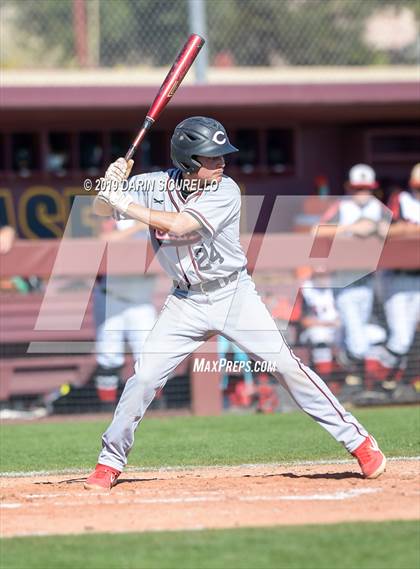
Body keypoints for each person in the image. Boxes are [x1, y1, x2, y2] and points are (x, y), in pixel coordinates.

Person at [84, 117, 386, 491]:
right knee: (144, 378)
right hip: (184, 300)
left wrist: (124, 202)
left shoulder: (225, 190)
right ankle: (109, 462)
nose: (222, 162)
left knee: (285, 366)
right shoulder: (152, 185)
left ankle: (359, 443)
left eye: (222, 155)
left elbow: (180, 226)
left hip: (233, 294)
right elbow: (101, 210)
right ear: (188, 160)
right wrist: (109, 184)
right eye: (212, 157)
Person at [316, 165, 390, 391]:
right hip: (344, 280)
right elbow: (318, 231)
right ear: (349, 187)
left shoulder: (379, 208)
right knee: (358, 340)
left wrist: (376, 228)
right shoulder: (341, 206)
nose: (362, 193)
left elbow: (393, 230)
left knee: (360, 333)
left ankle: (354, 378)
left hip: (368, 281)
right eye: (358, 189)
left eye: (366, 189)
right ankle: (346, 366)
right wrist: (352, 228)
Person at [365, 163, 420, 397]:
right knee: (400, 337)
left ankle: (390, 382)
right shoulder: (402, 199)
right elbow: (386, 229)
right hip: (395, 276)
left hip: (416, 276)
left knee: (406, 337)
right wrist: (411, 230)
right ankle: (374, 379)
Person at [93, 217, 157, 408]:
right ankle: (107, 408)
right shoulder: (116, 220)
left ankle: (152, 406)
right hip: (112, 297)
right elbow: (103, 240)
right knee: (109, 355)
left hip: (141, 301)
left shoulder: (158, 216)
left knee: (150, 355)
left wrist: (151, 223)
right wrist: (138, 225)